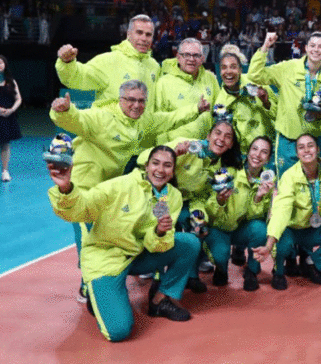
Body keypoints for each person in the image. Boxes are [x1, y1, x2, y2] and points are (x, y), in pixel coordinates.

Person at [50, 80, 209, 301]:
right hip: (87, 185)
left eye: (141, 101)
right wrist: (64, 111)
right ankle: (87, 285)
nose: (136, 105)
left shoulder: (144, 120)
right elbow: (78, 119)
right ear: (120, 100)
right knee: (88, 237)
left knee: (113, 233)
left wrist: (196, 109)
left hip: (114, 186)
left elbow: (168, 119)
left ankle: (115, 274)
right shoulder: (102, 116)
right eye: (131, 100)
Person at [47, 146, 200, 342]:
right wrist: (66, 189)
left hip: (138, 253)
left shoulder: (172, 196)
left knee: (189, 243)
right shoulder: (118, 186)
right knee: (118, 331)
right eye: (156, 163)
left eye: (167, 165)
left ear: (173, 171)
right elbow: (81, 209)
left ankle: (159, 300)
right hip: (106, 258)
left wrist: (160, 231)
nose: (160, 170)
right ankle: (104, 295)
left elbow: (158, 245)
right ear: (146, 166)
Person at [137, 119, 243, 292]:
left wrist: (209, 208)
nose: (221, 139)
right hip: (164, 198)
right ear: (208, 136)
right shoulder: (187, 146)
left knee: (199, 225)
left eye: (228, 137)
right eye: (217, 133)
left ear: (231, 144)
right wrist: (173, 152)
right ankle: (158, 276)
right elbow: (144, 159)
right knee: (163, 224)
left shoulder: (223, 170)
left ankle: (191, 275)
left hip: (192, 203)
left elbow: (203, 198)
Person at [252, 134, 321, 290]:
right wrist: (269, 245)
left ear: (318, 150)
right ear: (297, 153)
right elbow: (281, 211)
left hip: (313, 229)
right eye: (301, 147)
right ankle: (279, 271)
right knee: (282, 245)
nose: (306, 150)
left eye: (310, 146)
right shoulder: (289, 177)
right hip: (291, 230)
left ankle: (312, 263)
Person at [191, 136, 275, 291]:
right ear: (248, 151)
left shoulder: (267, 183)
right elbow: (210, 211)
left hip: (240, 229)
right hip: (219, 228)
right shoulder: (229, 171)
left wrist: (258, 197)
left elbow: (256, 217)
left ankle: (251, 271)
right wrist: (219, 200)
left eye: (264, 152)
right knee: (220, 256)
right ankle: (221, 268)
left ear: (268, 158)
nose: (258, 155)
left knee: (260, 229)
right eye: (255, 149)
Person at [247, 31, 321, 176]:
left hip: (312, 140)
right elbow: (254, 75)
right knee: (285, 185)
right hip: (287, 140)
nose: (316, 50)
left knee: (312, 183)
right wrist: (265, 46)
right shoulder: (288, 68)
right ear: (306, 48)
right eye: (312, 45)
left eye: (320, 47)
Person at [178, 45, 276, 154]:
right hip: (244, 156)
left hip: (270, 150)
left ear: (240, 69)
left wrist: (266, 103)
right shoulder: (220, 104)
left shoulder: (257, 84)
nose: (228, 71)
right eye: (224, 68)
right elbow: (222, 138)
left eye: (233, 67)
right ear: (220, 72)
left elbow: (280, 115)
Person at [55, 14, 161, 107]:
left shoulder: (154, 66)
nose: (144, 38)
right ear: (128, 34)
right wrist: (67, 63)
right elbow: (79, 76)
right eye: (139, 32)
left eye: (148, 35)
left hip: (145, 130)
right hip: (113, 129)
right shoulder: (108, 61)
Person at [154, 38, 220, 142]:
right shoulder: (164, 83)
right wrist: (165, 150)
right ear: (178, 57)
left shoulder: (210, 78)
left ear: (202, 58)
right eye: (187, 55)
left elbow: (219, 107)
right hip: (176, 150)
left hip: (206, 148)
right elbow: (159, 121)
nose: (191, 59)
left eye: (196, 55)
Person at [0, 55, 22, 182]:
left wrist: (11, 110)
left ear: (5, 64)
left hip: (8, 117)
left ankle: (5, 171)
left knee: (5, 145)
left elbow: (18, 98)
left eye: (0, 62)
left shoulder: (11, 81)